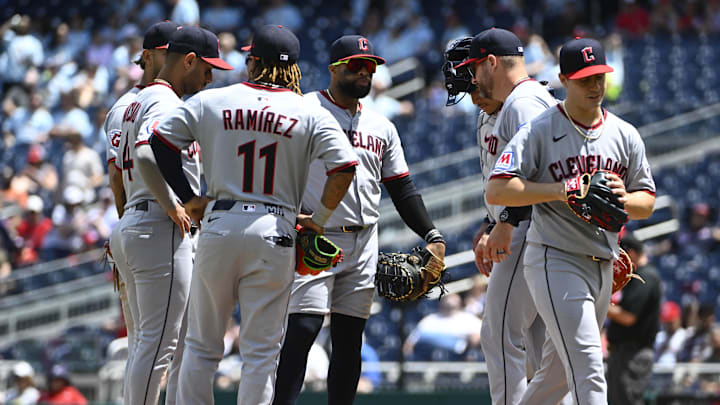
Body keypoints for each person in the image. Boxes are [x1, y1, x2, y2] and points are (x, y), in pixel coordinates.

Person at [146, 24, 357, 405]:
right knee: (260, 354)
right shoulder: (309, 111)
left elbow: (159, 143)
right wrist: (320, 220)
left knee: (201, 345)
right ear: (293, 68)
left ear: (252, 60)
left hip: (220, 223)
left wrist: (189, 197)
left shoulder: (213, 100)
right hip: (275, 227)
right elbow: (344, 167)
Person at [272, 34, 445, 405]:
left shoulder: (382, 125)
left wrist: (432, 233)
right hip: (315, 236)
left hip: (365, 238)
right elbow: (276, 170)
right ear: (334, 68)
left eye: (370, 66)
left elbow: (402, 187)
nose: (365, 71)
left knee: (350, 339)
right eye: (356, 65)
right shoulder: (304, 110)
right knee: (303, 329)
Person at [486, 37, 656, 404]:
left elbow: (647, 202)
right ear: (564, 79)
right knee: (590, 369)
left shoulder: (624, 133)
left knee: (558, 378)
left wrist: (624, 198)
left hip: (603, 261)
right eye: (585, 79)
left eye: (600, 77)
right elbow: (498, 190)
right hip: (554, 257)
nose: (595, 86)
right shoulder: (540, 130)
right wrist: (562, 190)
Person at [110, 25, 232, 405]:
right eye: (207, 68)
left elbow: (117, 171)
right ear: (189, 61)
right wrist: (176, 202)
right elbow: (147, 152)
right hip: (157, 225)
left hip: (136, 219)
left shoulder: (131, 102)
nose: (211, 78)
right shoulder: (165, 103)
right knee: (158, 346)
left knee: (154, 344)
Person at [452, 28, 557, 405]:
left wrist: (506, 222)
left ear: (491, 63)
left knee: (499, 334)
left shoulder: (522, 103)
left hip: (530, 227)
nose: (474, 81)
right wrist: (490, 222)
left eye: (475, 70)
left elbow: (535, 174)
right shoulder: (518, 102)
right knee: (542, 345)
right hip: (531, 227)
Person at [103, 21, 179, 403]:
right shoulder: (130, 106)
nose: (176, 59)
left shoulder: (154, 100)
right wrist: (127, 226)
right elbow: (118, 177)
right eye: (169, 52)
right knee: (149, 344)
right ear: (148, 57)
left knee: (152, 344)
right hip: (145, 222)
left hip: (138, 227)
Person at [606, 235, 661, 405]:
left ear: (630, 253)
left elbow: (628, 317)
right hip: (625, 353)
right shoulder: (639, 275)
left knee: (626, 401)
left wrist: (594, 302)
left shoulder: (646, 277)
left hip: (633, 354)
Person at [654, 301, 687, 365]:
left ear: (678, 319)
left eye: (670, 322)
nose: (668, 325)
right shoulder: (659, 336)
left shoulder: (685, 335)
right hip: (657, 372)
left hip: (676, 372)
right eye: (666, 322)